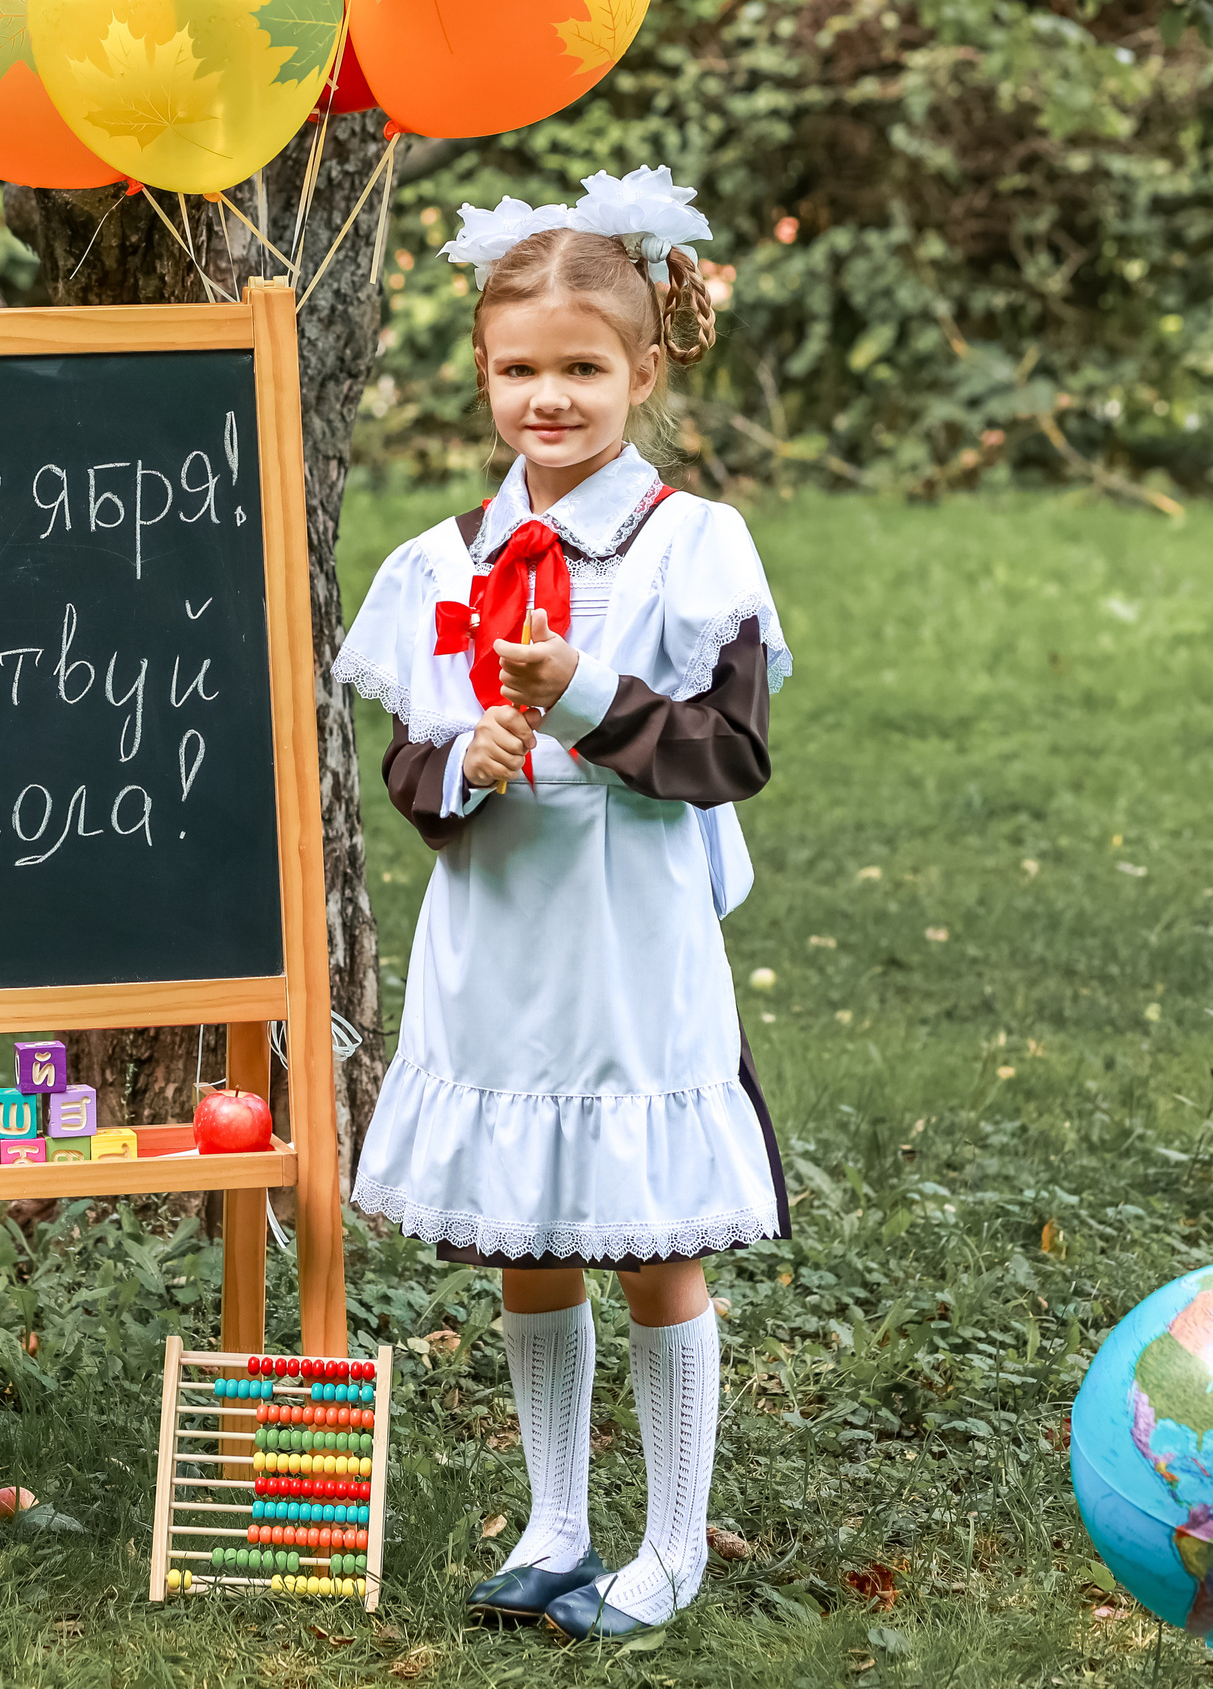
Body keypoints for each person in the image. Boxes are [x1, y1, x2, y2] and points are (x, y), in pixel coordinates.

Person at [330, 168, 792, 1637]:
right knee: (527, 1229)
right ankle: (551, 1517)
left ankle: (669, 1541)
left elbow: (729, 752)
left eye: (581, 368)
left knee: (652, 1232)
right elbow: (405, 768)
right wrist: (460, 758)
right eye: (517, 370)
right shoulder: (443, 563)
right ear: (482, 375)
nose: (549, 398)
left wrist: (584, 693)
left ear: (644, 370)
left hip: (625, 928)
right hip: (500, 930)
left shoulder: (691, 548)